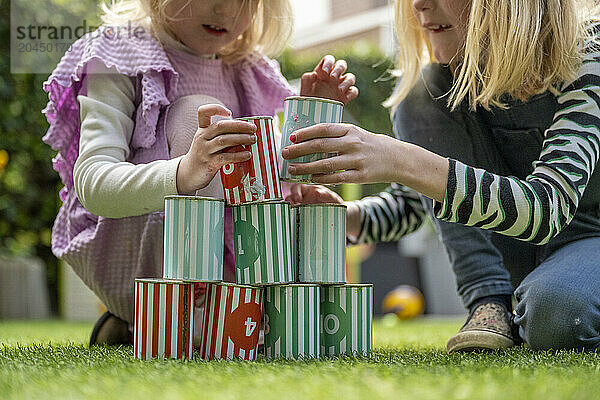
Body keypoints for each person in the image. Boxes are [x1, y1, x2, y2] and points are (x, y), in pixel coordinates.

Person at [282, 0, 600, 352]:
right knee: (420, 92)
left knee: (557, 313)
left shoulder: (589, 58)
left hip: (589, 242)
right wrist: (346, 217)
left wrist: (401, 158)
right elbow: (415, 204)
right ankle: (488, 302)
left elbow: (547, 208)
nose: (419, 4)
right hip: (523, 264)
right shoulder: (451, 82)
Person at [42, 0, 358, 346]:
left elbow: (263, 177)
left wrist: (310, 120)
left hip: (230, 264)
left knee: (291, 204)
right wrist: (184, 172)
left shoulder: (246, 68)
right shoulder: (121, 53)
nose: (224, 10)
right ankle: (183, 318)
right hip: (135, 252)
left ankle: (174, 322)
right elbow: (94, 183)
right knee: (196, 114)